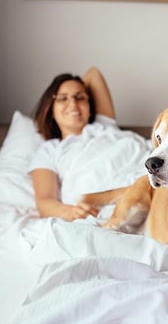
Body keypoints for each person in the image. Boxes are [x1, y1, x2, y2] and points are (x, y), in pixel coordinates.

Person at [28, 67, 119, 221]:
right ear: (51, 109)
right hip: (103, 206)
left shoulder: (104, 126)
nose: (73, 104)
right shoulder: (50, 150)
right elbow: (44, 201)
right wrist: (70, 212)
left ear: (90, 108)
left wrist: (74, 89)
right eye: (63, 99)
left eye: (80, 98)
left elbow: (93, 73)